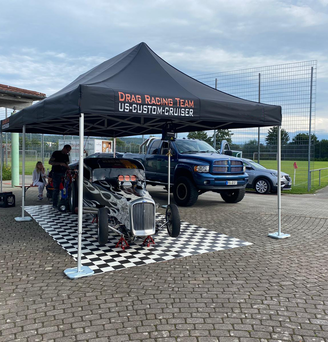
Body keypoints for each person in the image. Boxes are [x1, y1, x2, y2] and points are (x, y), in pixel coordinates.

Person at [49, 144, 71, 209]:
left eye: (69, 151)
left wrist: (68, 167)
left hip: (64, 173)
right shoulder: (56, 153)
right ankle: (54, 204)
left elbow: (67, 164)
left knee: (65, 188)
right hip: (56, 173)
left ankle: (64, 202)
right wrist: (60, 163)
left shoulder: (66, 156)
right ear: (64, 148)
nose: (67, 152)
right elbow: (50, 162)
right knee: (56, 189)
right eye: (67, 150)